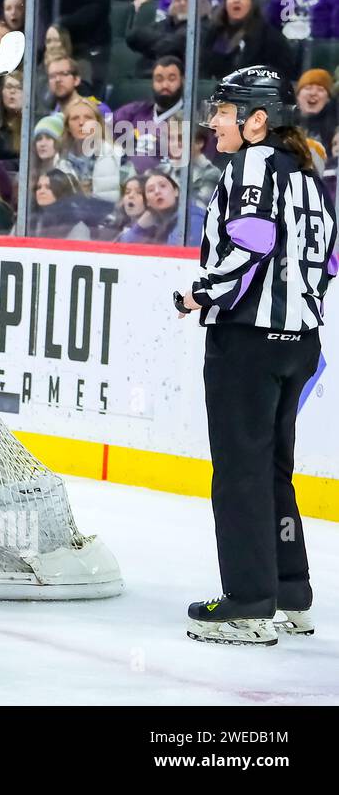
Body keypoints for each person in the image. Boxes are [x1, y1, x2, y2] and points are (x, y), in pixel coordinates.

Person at [181, 65, 336, 646]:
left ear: (256, 120)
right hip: (300, 339)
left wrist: (202, 292)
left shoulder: (253, 161)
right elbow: (328, 262)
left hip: (248, 338)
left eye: (223, 111)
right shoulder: (307, 175)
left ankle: (248, 602)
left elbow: (254, 241)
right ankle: (290, 591)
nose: (214, 121)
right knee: (273, 467)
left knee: (241, 469)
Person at [200, 0, 294, 82]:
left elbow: (281, 72)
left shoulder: (268, 36)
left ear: (252, 3)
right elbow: (203, 68)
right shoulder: (214, 33)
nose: (236, 0)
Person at [113, 56, 186, 174]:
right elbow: (105, 127)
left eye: (171, 79)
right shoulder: (133, 112)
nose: (165, 86)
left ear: (183, 80)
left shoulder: (189, 118)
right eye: (159, 79)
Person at [60, 97, 126, 201]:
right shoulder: (59, 161)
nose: (82, 123)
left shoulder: (118, 156)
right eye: (75, 118)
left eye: (88, 117)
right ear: (67, 126)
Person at [117, 169, 203, 246]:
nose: (157, 191)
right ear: (147, 202)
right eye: (151, 190)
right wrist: (140, 226)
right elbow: (121, 248)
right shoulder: (155, 222)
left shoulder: (192, 218)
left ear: (176, 191)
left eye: (163, 186)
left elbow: (175, 256)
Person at [127, 0, 196, 74]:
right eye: (178, 0)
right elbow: (133, 36)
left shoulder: (199, 27)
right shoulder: (162, 24)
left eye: (187, 0)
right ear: (171, 5)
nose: (182, 3)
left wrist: (149, 44)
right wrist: (165, 40)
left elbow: (171, 46)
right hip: (147, 74)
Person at [295, 69, 337, 151]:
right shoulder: (284, 123)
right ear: (297, 96)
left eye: (320, 89)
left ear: (328, 99)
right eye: (308, 88)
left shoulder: (334, 131)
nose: (313, 93)